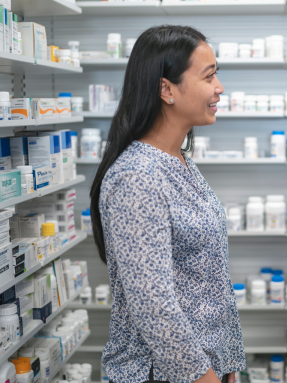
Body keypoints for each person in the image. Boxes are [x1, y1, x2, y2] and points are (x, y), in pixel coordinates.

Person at [89, 25, 245, 383]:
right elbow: (153, 307)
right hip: (163, 374)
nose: (219, 88)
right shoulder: (137, 176)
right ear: (166, 89)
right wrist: (204, 376)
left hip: (207, 366)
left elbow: (210, 278)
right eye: (209, 76)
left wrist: (228, 361)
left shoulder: (179, 160)